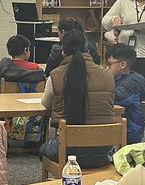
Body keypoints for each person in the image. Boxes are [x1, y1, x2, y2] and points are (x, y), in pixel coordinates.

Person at [40, 28, 118, 168]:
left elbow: (46, 104)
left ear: (63, 52)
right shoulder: (107, 75)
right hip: (103, 152)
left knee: (43, 150)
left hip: (69, 153)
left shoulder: (56, 75)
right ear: (88, 50)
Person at [106, 44, 145, 144]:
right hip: (120, 130)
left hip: (129, 135)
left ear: (123, 65)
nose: (106, 68)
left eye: (109, 64)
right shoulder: (118, 79)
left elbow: (114, 98)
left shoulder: (132, 83)